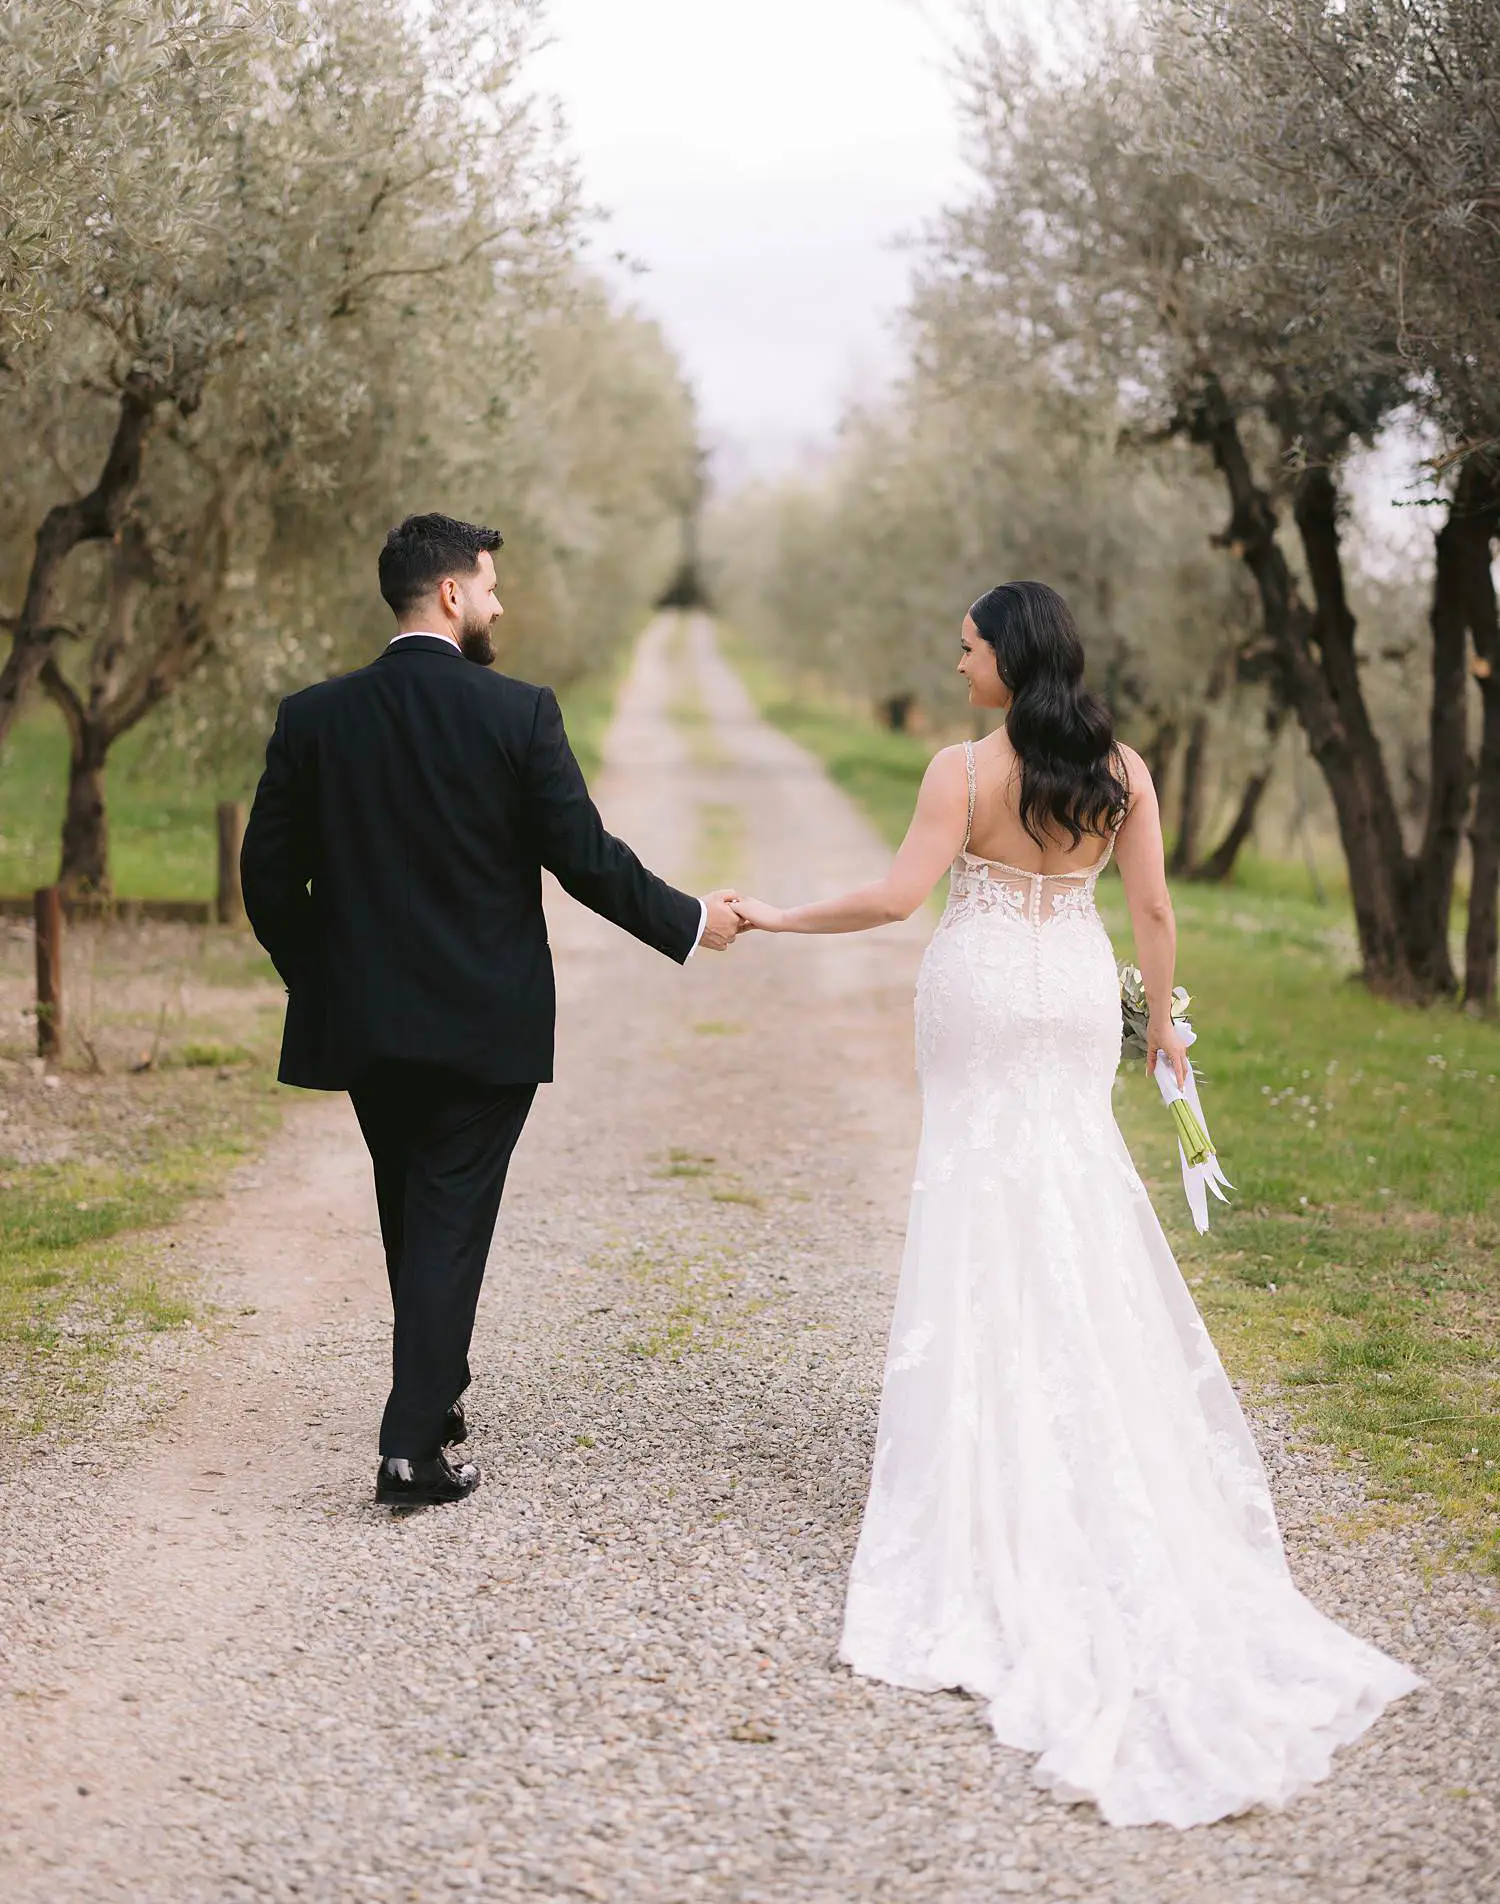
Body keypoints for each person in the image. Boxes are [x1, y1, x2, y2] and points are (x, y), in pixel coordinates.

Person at [729, 580, 1417, 1828]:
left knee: (979, 1199)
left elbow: (896, 902)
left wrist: (770, 912)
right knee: (1076, 1192)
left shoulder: (966, 770)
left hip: (986, 992)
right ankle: (1095, 1424)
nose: (956, 659)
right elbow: (1150, 908)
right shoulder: (1124, 770)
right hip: (1071, 996)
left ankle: (991, 1450)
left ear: (1010, 655)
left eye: (970, 642)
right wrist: (1161, 1031)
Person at [240, 512, 742, 1508]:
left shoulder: (315, 717)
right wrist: (690, 920)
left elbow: (264, 878)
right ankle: (409, 1448)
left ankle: (436, 1389)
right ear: (452, 594)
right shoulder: (519, 715)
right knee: (447, 1216)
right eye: (491, 584)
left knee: (412, 1205)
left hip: (370, 1026)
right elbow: (587, 860)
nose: (501, 602)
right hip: (485, 1028)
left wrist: (325, 979)